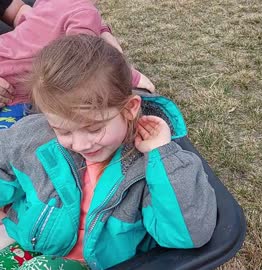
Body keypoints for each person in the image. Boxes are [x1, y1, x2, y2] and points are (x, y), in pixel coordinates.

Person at [0, 34, 217, 269]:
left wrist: (163, 156)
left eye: (93, 129)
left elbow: (189, 233)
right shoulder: (32, 137)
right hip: (27, 248)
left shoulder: (153, 165)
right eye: (63, 131)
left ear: (130, 108)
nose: (81, 144)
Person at [0, 0, 155, 129]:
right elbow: (83, 55)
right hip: (15, 85)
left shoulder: (45, 2)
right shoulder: (84, 13)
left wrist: (102, 31)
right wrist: (130, 75)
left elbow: (22, 14)